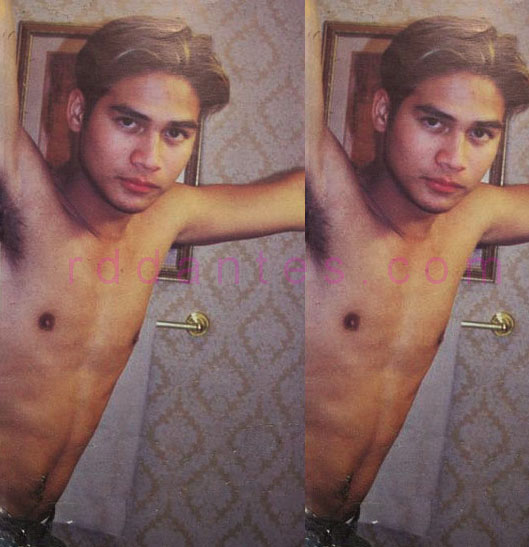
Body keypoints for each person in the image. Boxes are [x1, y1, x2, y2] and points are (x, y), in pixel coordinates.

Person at [305, 0, 529, 545]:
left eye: (480, 134)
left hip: (341, 528)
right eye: (433, 122)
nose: (455, 158)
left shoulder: (473, 215)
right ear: (382, 111)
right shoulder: (334, 206)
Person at [0, 1, 304, 545]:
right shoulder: (27, 207)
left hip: (34, 524)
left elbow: (309, 194)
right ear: (77, 111)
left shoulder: (167, 215)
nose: (150, 158)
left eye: (176, 133)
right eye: (128, 122)